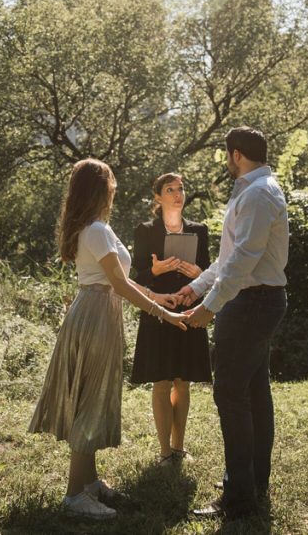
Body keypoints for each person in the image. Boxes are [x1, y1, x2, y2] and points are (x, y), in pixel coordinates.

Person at [28, 159, 188, 521]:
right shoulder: (96, 230)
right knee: (91, 398)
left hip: (98, 309)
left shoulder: (96, 227)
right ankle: (74, 496)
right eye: (111, 182)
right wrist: (163, 314)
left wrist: (157, 296)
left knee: (96, 394)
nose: (115, 188)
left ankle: (90, 482)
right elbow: (118, 284)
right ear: (101, 188)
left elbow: (122, 281)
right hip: (96, 313)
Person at [178, 127, 289, 521]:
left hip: (251, 303)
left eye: (227, 155)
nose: (227, 161)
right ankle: (251, 484)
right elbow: (229, 258)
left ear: (236, 154)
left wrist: (210, 306)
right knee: (254, 392)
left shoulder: (257, 193)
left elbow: (243, 260)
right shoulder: (256, 190)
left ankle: (240, 497)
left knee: (230, 393)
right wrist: (195, 288)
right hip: (254, 300)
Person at [129, 173, 212, 463]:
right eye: (170, 189)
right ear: (157, 197)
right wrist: (156, 271)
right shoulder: (145, 231)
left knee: (183, 381)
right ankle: (164, 452)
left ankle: (179, 447)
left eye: (181, 189)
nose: (178, 194)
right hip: (157, 312)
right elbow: (134, 279)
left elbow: (210, 274)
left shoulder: (199, 230)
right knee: (162, 382)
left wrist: (198, 274)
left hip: (189, 309)